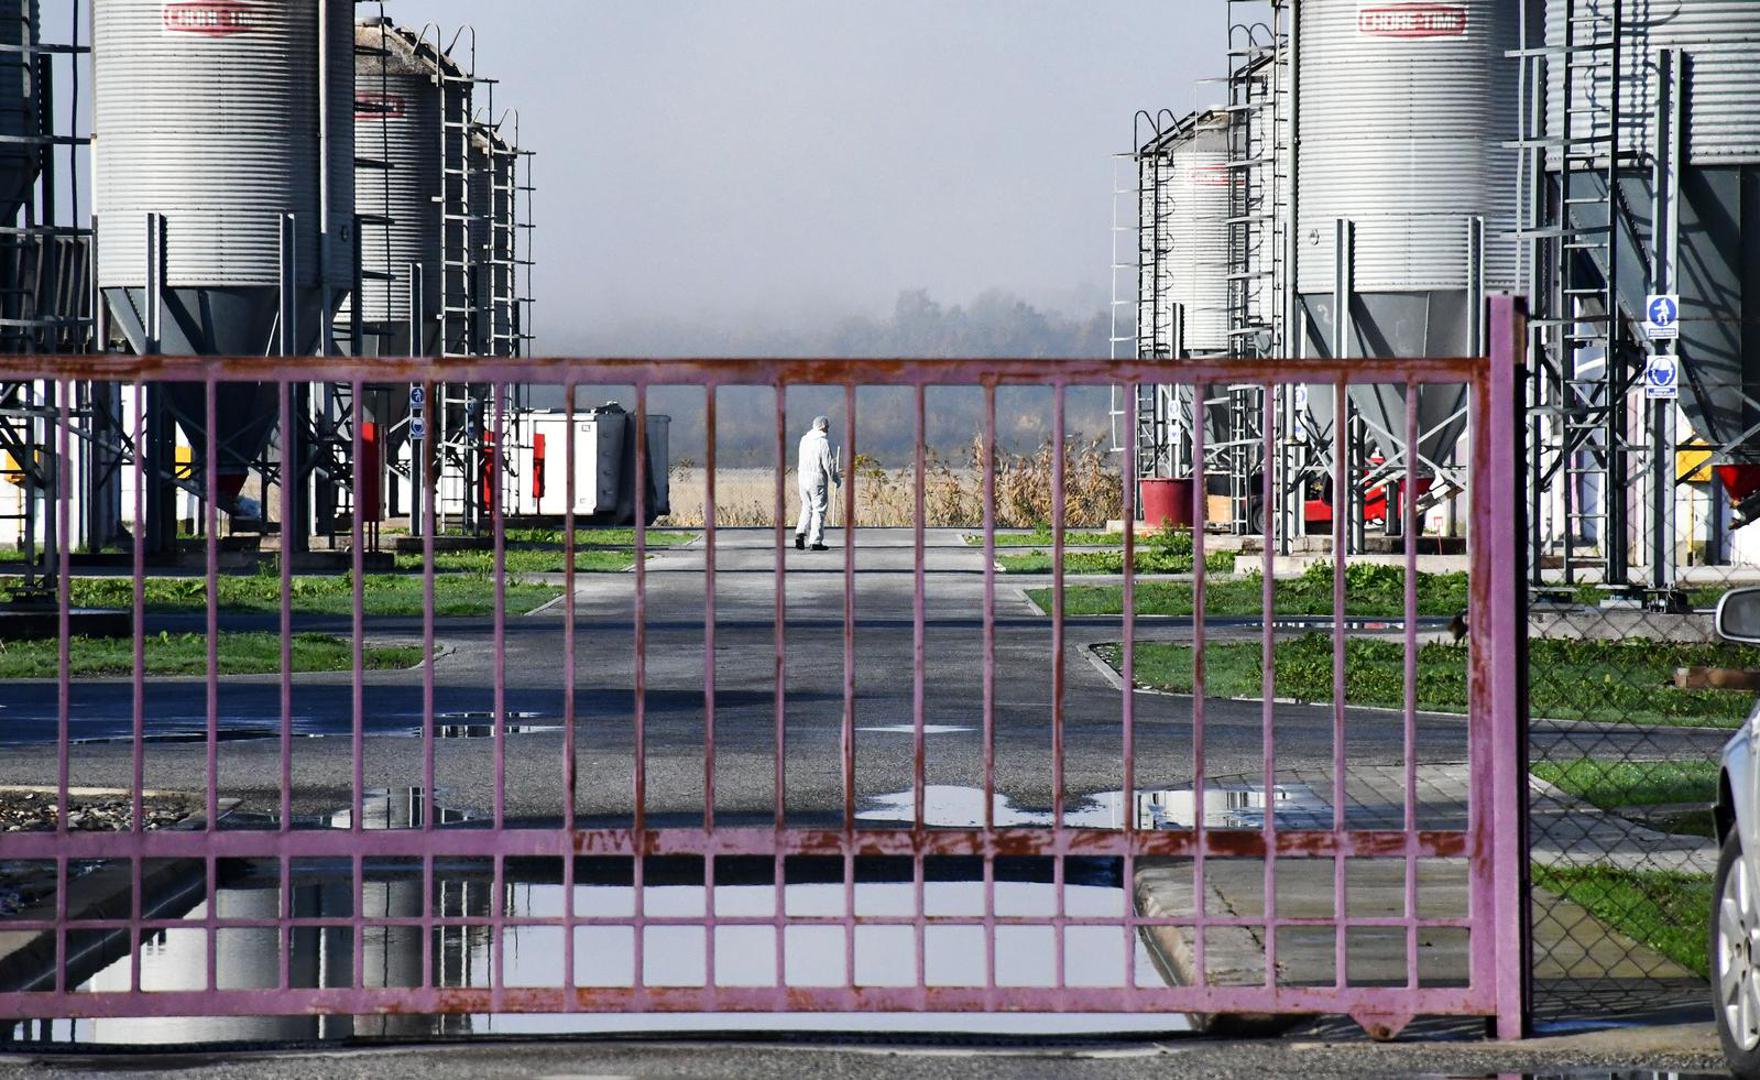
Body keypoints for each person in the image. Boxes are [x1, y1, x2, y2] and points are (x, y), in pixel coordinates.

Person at [794, 416, 842, 551]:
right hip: (817, 479)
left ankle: (800, 533)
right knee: (819, 509)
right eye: (827, 427)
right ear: (823, 427)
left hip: (802, 477)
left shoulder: (804, 440)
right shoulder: (823, 442)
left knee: (806, 506)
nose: (828, 429)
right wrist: (836, 479)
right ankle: (815, 541)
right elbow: (828, 465)